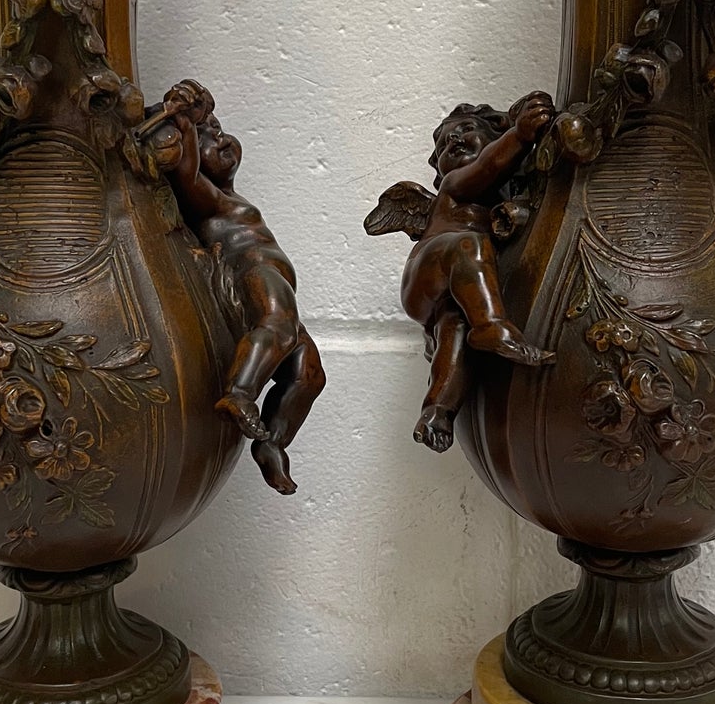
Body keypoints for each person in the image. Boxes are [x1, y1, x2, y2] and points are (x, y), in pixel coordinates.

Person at [154, 80, 324, 494]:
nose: (222, 138)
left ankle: (272, 443)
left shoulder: (231, 196)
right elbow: (186, 174)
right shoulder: (207, 199)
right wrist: (185, 124)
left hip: (273, 281)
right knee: (279, 326)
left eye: (220, 130)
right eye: (209, 137)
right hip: (251, 272)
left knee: (309, 373)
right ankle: (241, 391)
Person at [365, 95, 556, 451]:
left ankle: (437, 411)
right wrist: (519, 134)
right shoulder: (454, 187)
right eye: (442, 144)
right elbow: (488, 165)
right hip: (427, 269)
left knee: (454, 329)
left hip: (447, 287)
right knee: (469, 245)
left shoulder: (495, 199)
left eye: (466, 129)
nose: (453, 140)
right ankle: (491, 326)